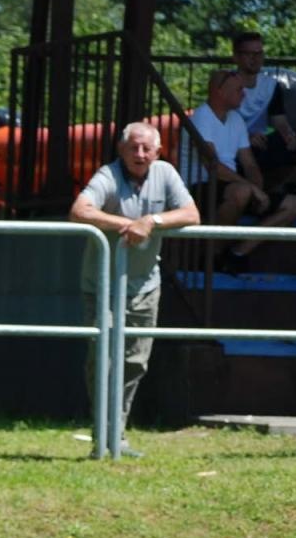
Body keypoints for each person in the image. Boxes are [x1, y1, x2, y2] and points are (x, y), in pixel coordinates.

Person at [69, 121, 199, 455]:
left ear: (157, 152)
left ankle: (117, 434)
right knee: (103, 360)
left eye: (146, 148)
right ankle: (104, 434)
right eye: (133, 148)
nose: (139, 154)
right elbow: (79, 211)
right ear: (121, 150)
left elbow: (191, 214)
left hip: (145, 287)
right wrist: (128, 225)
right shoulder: (107, 175)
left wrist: (151, 222)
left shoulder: (166, 173)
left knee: (135, 362)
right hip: (101, 285)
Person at [180, 69, 296, 271]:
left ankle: (237, 252)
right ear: (220, 92)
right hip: (198, 189)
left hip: (232, 188)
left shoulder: (235, 119)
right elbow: (213, 166)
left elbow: (249, 163)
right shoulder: (202, 117)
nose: (244, 94)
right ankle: (211, 256)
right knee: (242, 191)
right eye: (239, 89)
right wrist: (252, 189)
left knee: (295, 204)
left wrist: (257, 189)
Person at [231, 32, 296, 175]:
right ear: (236, 57)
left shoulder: (270, 85)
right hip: (233, 141)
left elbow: (279, 120)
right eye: (249, 54)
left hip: (261, 140)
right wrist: (245, 137)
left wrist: (288, 135)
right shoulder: (227, 83)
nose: (255, 59)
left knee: (291, 147)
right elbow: (221, 119)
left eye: (259, 53)